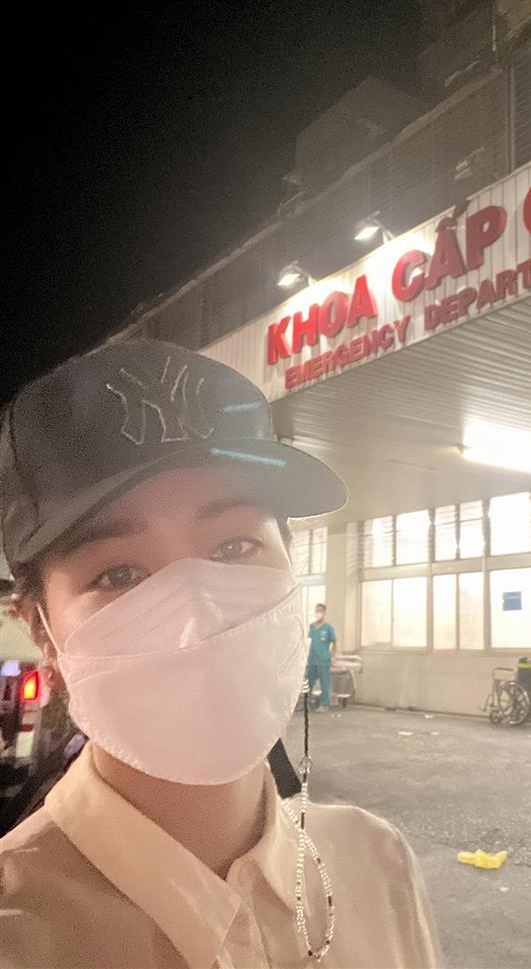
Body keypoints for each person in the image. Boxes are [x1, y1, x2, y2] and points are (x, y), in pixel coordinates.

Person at [0, 341, 440, 968]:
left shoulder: (376, 862)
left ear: (292, 563)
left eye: (234, 547)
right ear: (41, 630)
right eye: (119, 575)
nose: (197, 619)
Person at [308, 603, 337, 712]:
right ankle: (306, 703)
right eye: (317, 610)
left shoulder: (328, 627)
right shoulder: (311, 627)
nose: (318, 613)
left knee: (325, 683)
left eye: (320, 611)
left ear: (324, 613)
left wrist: (333, 657)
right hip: (312, 659)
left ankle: (324, 704)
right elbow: (307, 642)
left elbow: (334, 643)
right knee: (309, 682)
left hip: (323, 660)